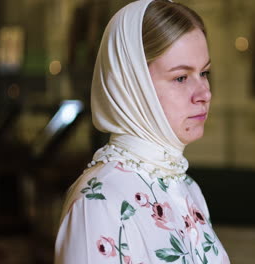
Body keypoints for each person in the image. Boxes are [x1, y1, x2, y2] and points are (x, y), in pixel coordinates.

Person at [54, 0, 230, 263]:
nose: (205, 93)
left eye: (204, 72)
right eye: (181, 77)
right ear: (132, 85)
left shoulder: (187, 187)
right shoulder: (97, 203)